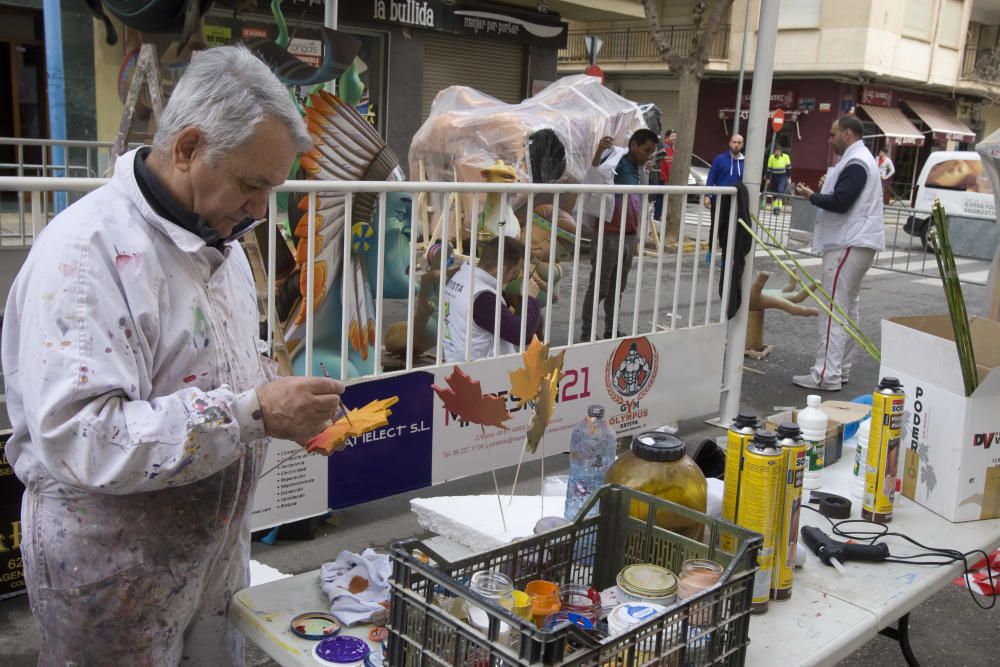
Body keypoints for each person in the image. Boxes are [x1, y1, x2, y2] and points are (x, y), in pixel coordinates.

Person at [1, 46, 348, 664]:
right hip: (112, 570)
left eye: (271, 188)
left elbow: (225, 362)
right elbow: (85, 437)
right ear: (187, 148)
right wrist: (252, 413)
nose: (260, 209)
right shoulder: (88, 255)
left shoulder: (222, 238)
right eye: (251, 184)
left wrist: (278, 399)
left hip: (209, 554)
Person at [793, 115, 884, 391]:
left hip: (848, 242)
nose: (829, 140)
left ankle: (825, 374)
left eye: (832, 135)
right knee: (846, 307)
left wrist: (811, 195)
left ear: (847, 134)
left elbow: (841, 202)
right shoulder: (860, 160)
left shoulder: (857, 161)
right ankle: (840, 369)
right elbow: (845, 194)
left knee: (833, 310)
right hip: (857, 242)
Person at [580, 128, 659, 341]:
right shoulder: (616, 159)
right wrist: (599, 151)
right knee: (599, 286)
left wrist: (647, 170)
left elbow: (641, 198)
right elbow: (594, 175)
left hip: (629, 235)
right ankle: (587, 333)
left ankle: (611, 330)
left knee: (618, 287)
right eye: (646, 150)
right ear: (633, 145)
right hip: (609, 234)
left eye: (651, 152)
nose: (648, 155)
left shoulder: (639, 168)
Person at [441, 237, 540, 362]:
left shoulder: (461, 276)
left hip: (456, 359)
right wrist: (529, 297)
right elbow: (522, 335)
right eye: (514, 272)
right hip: (481, 373)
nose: (514, 278)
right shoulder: (482, 298)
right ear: (502, 270)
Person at [703, 134, 745, 262]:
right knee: (716, 226)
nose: (736, 144)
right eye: (734, 142)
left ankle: (725, 256)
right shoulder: (719, 159)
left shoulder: (745, 162)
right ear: (729, 143)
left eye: (739, 142)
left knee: (729, 229)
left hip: (735, 202)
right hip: (719, 200)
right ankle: (711, 252)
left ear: (742, 145)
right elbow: (711, 178)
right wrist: (707, 195)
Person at [652, 129, 676, 222]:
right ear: (667, 137)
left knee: (660, 197)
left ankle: (657, 217)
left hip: (661, 175)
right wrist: (669, 178)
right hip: (664, 177)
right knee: (661, 198)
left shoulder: (665, 146)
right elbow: (668, 164)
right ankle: (658, 217)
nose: (675, 138)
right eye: (673, 136)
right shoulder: (667, 147)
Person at [766, 146, 792, 212]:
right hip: (774, 176)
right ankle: (775, 208)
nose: (777, 153)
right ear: (774, 152)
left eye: (778, 151)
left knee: (780, 190)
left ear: (781, 152)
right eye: (776, 151)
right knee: (774, 192)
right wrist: (768, 178)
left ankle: (778, 206)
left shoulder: (785, 157)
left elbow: (788, 168)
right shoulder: (771, 157)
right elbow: (769, 169)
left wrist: (789, 177)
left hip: (783, 176)